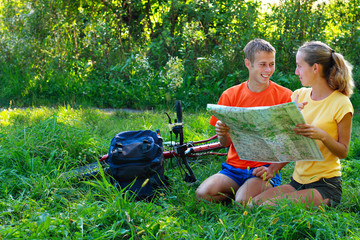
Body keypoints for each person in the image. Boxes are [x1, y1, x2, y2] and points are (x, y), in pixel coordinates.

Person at [249, 41, 354, 208]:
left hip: (325, 185)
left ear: (315, 68)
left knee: (266, 207)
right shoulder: (298, 96)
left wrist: (322, 136)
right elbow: (291, 142)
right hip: (296, 182)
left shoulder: (341, 103)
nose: (296, 72)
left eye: (299, 66)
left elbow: (343, 151)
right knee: (254, 204)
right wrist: (272, 169)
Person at [195, 39, 293, 204]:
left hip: (264, 170)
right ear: (248, 63)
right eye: (262, 64)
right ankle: (242, 193)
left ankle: (252, 192)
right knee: (202, 194)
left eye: (272, 64)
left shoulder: (285, 96)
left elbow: (293, 143)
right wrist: (223, 133)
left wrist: (273, 169)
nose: (268, 70)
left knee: (242, 201)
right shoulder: (230, 95)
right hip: (233, 169)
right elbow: (225, 143)